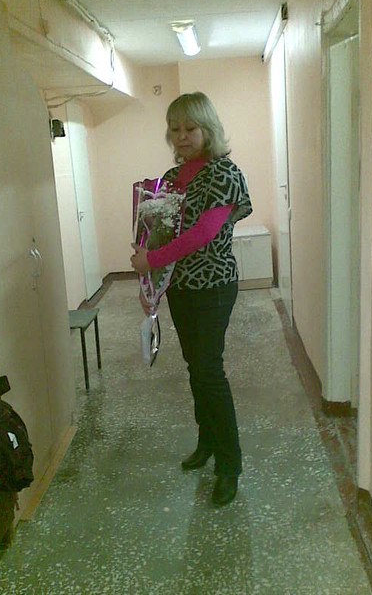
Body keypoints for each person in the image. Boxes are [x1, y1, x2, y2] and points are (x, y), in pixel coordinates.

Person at [130, 92, 252, 506]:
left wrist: (151, 260)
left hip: (214, 286)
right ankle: (208, 441)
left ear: (208, 129)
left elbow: (203, 234)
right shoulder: (170, 177)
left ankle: (230, 465)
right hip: (179, 287)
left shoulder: (225, 173)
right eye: (175, 129)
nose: (181, 136)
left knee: (209, 371)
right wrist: (150, 284)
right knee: (195, 369)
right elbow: (157, 233)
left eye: (190, 128)